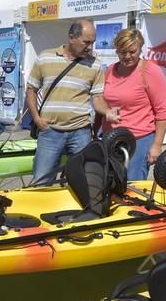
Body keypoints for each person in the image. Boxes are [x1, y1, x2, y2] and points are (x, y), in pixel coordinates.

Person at [26, 19, 120, 186]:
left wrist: (107, 112)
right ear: (71, 38)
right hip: (50, 133)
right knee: (41, 181)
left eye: (93, 43)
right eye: (86, 42)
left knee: (81, 181)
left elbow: (98, 99)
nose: (90, 47)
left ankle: (75, 212)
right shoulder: (45, 58)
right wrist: (36, 118)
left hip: (81, 133)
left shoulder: (95, 65)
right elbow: (31, 89)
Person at [100, 28, 166, 180]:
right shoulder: (111, 70)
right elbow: (102, 101)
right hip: (111, 139)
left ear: (140, 48)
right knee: (110, 184)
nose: (127, 56)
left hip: (138, 141)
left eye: (132, 51)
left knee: (132, 186)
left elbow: (163, 112)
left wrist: (157, 145)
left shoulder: (150, 72)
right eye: (122, 52)